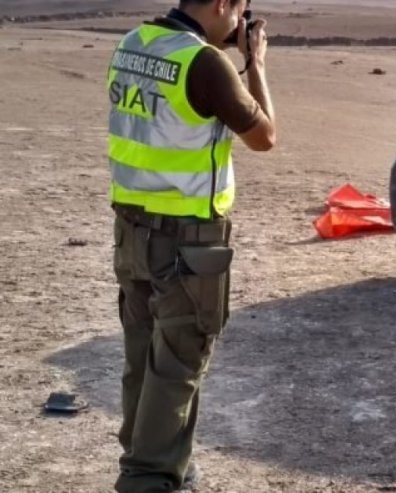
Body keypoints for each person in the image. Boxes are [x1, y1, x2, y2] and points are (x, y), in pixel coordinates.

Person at [106, 0, 276, 490]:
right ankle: (149, 478)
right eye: (240, 8)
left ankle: (156, 462)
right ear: (224, 4)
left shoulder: (132, 45)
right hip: (187, 238)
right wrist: (255, 63)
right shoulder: (204, 62)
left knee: (143, 356)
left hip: (132, 230)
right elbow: (264, 136)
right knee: (179, 360)